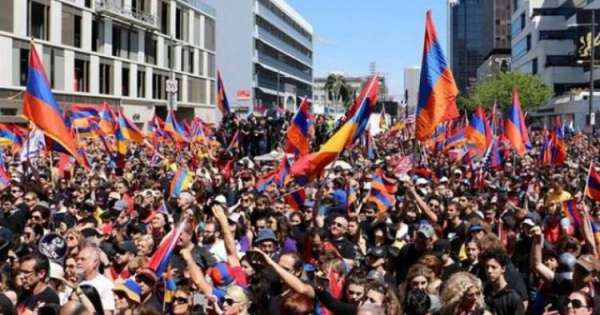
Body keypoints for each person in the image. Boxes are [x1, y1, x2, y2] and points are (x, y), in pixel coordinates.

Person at [480, 247, 525, 315]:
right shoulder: (484, 293)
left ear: (503, 269)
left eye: (493, 267)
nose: (489, 271)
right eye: (487, 267)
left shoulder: (513, 297)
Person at [77, 244, 115, 315]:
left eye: (83, 259)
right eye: (78, 259)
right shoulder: (76, 281)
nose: (78, 262)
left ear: (95, 262)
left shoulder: (105, 285)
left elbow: (107, 313)